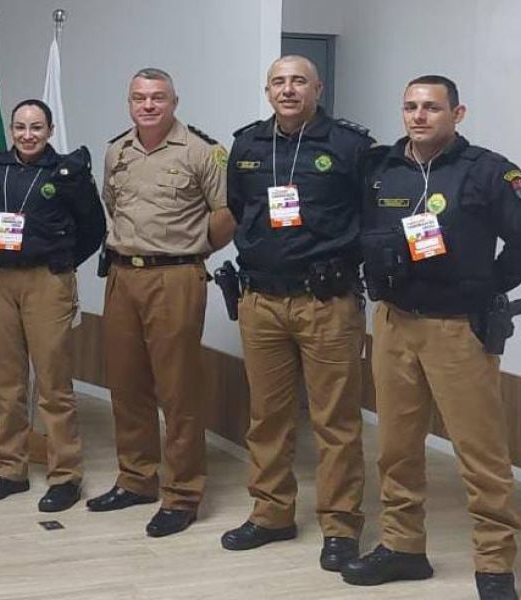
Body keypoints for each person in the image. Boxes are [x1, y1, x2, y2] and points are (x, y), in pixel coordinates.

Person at [341, 75, 521, 600]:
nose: (418, 116)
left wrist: (482, 289)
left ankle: (495, 566)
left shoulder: (489, 172)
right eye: (410, 106)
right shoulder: (382, 170)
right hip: (393, 325)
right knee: (396, 448)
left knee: (480, 454)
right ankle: (403, 547)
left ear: (457, 114)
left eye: (432, 107)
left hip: (458, 330)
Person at [221, 55, 372, 571]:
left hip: (326, 303)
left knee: (336, 422)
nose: (288, 90)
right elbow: (240, 209)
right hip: (261, 300)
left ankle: (341, 526)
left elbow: (370, 219)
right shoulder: (246, 145)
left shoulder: (351, 146)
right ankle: (271, 514)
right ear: (267, 91)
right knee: (268, 418)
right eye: (279, 82)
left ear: (318, 88)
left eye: (298, 81)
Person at [86, 67, 235, 537]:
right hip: (123, 276)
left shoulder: (201, 151)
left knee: (178, 389)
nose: (148, 105)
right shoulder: (118, 150)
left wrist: (194, 250)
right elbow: (113, 204)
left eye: (157, 98)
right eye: (139, 98)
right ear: (129, 102)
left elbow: (226, 213)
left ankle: (183, 493)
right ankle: (136, 479)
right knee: (126, 384)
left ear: (174, 101)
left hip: (176, 278)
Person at [0, 99, 106, 512]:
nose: (28, 135)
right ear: (11, 129)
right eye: (21, 127)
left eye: (37, 127)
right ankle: (10, 468)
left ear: (49, 130)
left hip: (46, 280)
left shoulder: (68, 172)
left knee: (53, 384)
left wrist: (60, 261)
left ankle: (65, 475)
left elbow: (93, 228)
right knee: (7, 382)